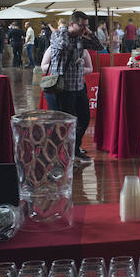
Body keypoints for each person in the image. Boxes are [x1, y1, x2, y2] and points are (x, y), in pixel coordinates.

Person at [49, 11, 102, 166]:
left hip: (79, 86)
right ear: (71, 24)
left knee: (84, 119)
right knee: (67, 123)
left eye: (86, 25)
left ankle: (74, 148)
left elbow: (98, 46)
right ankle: (65, 154)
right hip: (63, 88)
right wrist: (65, 30)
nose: (84, 28)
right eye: (81, 25)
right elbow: (63, 45)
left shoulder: (81, 38)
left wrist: (89, 32)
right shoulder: (58, 35)